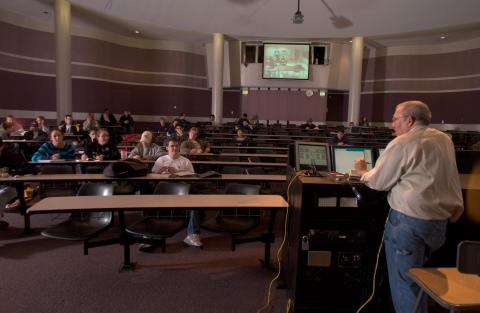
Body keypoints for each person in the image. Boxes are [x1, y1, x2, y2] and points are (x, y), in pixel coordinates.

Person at [353, 100, 463, 313]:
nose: (392, 124)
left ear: (409, 120)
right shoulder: (444, 140)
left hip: (409, 223)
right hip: (439, 224)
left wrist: (362, 171)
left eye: (395, 119)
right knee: (420, 281)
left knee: (406, 285)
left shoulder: (403, 143)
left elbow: (378, 182)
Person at [151, 138, 202, 247]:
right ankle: (149, 235)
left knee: (195, 203)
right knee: (148, 201)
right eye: (172, 146)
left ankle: (192, 234)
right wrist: (158, 172)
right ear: (167, 148)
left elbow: (193, 178)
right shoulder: (161, 160)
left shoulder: (185, 161)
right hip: (164, 191)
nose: (175, 148)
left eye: (176, 146)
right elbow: (152, 177)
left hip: (182, 190)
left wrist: (178, 172)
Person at [0, 138, 26, 230]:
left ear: (2, 147)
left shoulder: (12, 156)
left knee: (0, 195)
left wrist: (11, 173)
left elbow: (25, 168)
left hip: (11, 186)